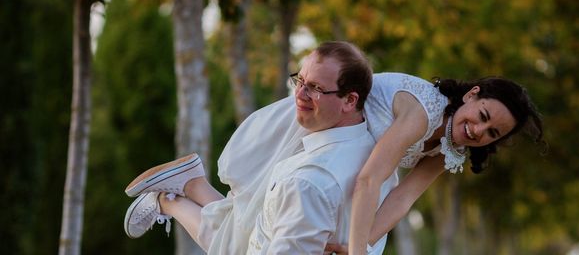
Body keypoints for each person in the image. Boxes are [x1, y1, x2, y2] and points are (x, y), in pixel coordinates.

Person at [211, 72, 543, 255]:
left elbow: (404, 197)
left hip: (350, 165)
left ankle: (183, 188)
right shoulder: (423, 111)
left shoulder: (450, 148)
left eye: (492, 133)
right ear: (471, 95)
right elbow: (369, 180)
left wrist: (359, 244)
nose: (478, 130)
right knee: (241, 241)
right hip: (323, 135)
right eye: (482, 116)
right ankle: (185, 187)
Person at [123, 41, 394, 254]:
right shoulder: (380, 154)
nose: (298, 96)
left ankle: (173, 197)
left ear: (350, 100)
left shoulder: (307, 183)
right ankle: (178, 194)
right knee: (237, 235)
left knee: (234, 242)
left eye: (314, 88)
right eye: (299, 81)